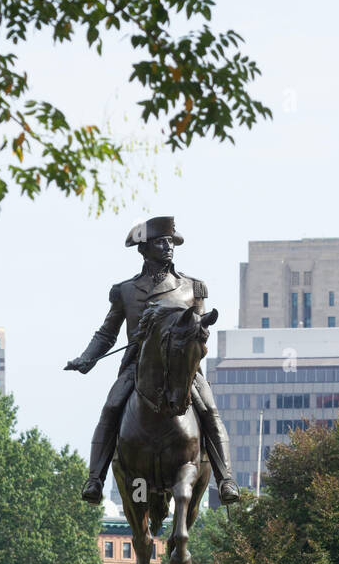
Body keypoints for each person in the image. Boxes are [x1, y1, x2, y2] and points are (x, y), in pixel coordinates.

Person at [66, 216, 240, 507]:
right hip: (138, 367)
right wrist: (87, 358)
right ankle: (95, 478)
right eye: (160, 241)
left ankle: (226, 479)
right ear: (143, 250)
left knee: (210, 411)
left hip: (182, 370)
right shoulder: (126, 290)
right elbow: (107, 333)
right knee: (110, 409)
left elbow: (201, 329)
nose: (168, 246)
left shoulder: (192, 288)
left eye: (171, 241)